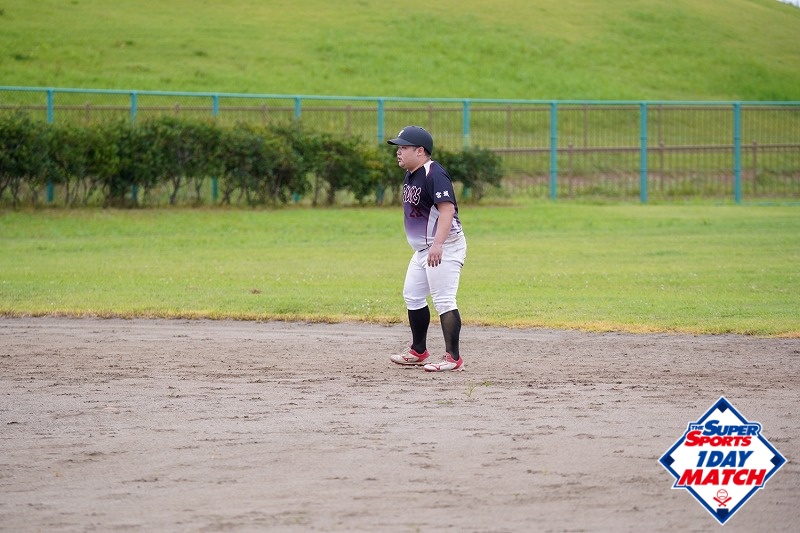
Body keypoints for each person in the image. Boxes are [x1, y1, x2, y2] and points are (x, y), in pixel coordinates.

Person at [386, 126, 467, 372]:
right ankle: (419, 351)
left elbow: (447, 210)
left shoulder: (435, 174)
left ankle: (453, 358)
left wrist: (438, 244)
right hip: (423, 249)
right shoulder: (411, 174)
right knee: (413, 296)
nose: (398, 152)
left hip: (445, 246)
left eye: (404, 147)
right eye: (398, 148)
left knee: (444, 299)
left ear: (420, 151)